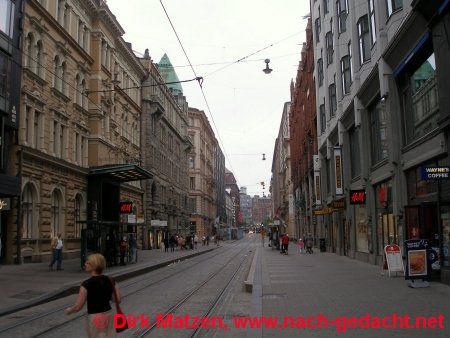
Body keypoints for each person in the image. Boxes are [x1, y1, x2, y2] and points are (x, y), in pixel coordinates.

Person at [65, 253, 121, 337]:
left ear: (94, 266)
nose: (85, 264)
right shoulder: (111, 280)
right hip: (109, 315)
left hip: (95, 318)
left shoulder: (86, 284)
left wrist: (69, 310)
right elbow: (117, 300)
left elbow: (78, 306)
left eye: (88, 263)